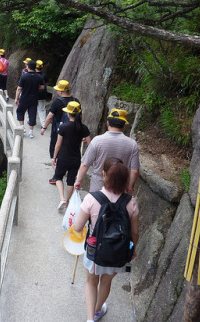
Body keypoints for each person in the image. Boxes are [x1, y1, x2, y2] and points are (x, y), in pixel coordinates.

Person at [71, 158, 139, 322]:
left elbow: (78, 227)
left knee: (91, 282)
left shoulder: (92, 198)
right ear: (125, 180)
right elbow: (134, 233)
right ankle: (96, 311)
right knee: (106, 283)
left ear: (104, 174)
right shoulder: (131, 202)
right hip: (118, 252)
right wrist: (132, 250)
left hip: (96, 251)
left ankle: (89, 319)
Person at [74, 109, 140, 194]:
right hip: (119, 189)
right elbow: (135, 171)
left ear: (108, 123)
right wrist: (130, 186)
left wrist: (78, 180)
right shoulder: (132, 144)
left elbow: (85, 164)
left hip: (97, 189)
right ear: (124, 125)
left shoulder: (97, 141)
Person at [52, 101, 91, 211]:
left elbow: (58, 144)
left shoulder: (64, 127)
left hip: (63, 157)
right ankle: (68, 201)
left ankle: (62, 198)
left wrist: (54, 157)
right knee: (70, 180)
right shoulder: (83, 128)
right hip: (76, 159)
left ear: (68, 114)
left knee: (58, 177)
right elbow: (91, 144)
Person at [40, 80, 80, 184]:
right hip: (73, 132)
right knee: (68, 150)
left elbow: (50, 116)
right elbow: (80, 117)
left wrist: (44, 127)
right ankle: (65, 172)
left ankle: (56, 176)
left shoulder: (57, 102)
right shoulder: (76, 101)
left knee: (55, 152)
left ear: (61, 92)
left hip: (58, 131)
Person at [15, 60, 45, 138]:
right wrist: (35, 86)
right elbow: (42, 87)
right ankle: (31, 132)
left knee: (20, 111)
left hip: (24, 98)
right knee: (32, 114)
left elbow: (19, 88)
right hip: (34, 99)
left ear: (27, 67)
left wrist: (16, 98)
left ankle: (22, 127)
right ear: (35, 67)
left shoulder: (24, 76)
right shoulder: (39, 76)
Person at [35, 60, 48, 125]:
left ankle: (32, 121)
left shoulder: (33, 75)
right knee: (42, 109)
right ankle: (43, 124)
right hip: (42, 94)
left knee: (32, 107)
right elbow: (46, 84)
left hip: (34, 94)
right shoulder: (44, 75)